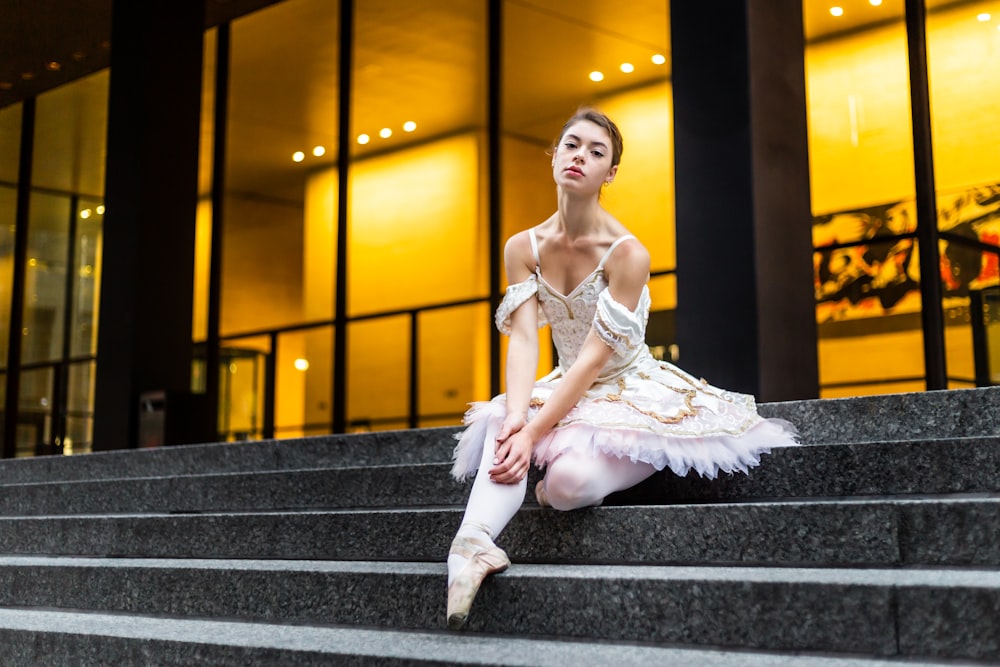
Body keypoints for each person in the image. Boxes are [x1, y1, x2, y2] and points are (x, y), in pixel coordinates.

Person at [445, 107, 800, 630]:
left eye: (596, 152)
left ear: (610, 173)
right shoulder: (521, 247)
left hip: (627, 386)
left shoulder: (627, 254)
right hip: (564, 384)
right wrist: (519, 418)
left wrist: (537, 429)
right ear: (554, 154)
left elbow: (592, 359)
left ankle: (634, 453)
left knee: (565, 489)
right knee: (501, 419)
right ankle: (471, 547)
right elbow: (523, 339)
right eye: (571, 144)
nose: (579, 157)